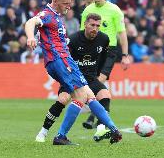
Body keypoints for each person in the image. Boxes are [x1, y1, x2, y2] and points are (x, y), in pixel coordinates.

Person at [24, 0, 122, 145]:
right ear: (55, 1)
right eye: (65, 3)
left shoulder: (56, 16)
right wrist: (30, 37)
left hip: (64, 60)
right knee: (80, 96)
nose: (69, 7)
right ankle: (60, 136)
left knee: (89, 94)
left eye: (69, 3)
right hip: (59, 60)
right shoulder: (47, 15)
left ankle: (113, 129)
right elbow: (30, 22)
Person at [35, 13, 113, 143]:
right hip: (72, 77)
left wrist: (98, 74)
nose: (95, 28)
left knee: (105, 95)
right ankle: (43, 132)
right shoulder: (74, 40)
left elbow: (103, 57)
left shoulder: (104, 39)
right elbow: (63, 59)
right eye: (92, 25)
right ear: (85, 25)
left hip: (90, 78)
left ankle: (100, 129)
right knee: (63, 99)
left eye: (98, 26)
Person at [81, 0, 131, 129]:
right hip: (92, 51)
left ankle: (92, 116)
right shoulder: (88, 10)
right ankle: (97, 115)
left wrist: (125, 55)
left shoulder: (114, 10)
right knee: (97, 84)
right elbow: (82, 33)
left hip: (109, 51)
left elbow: (122, 33)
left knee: (100, 80)